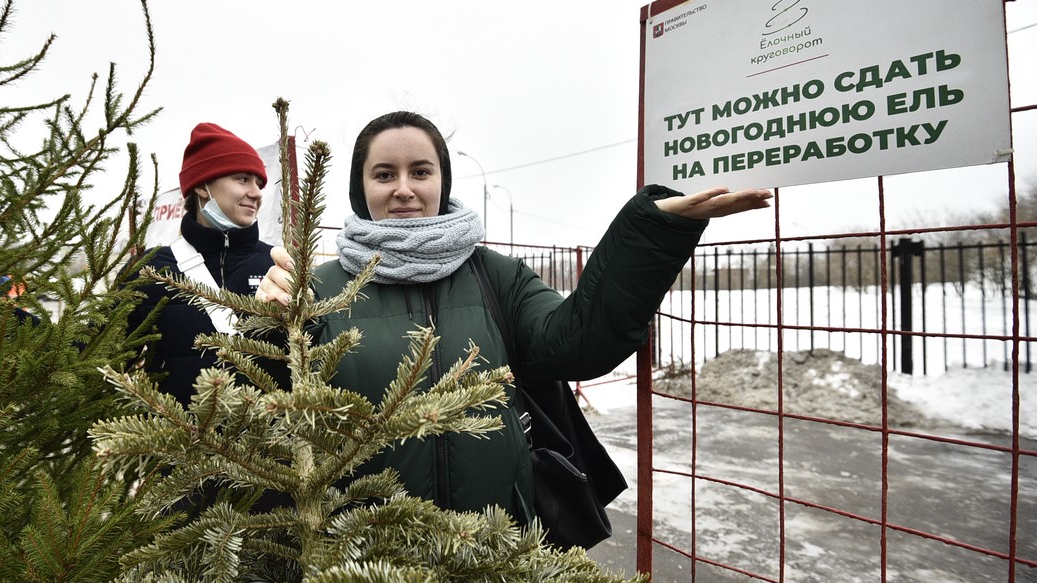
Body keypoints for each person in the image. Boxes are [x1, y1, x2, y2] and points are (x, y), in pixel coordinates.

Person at [256, 110, 771, 527]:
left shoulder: (495, 277)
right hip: (358, 560)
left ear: (442, 179)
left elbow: (578, 342)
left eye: (420, 171)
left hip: (496, 553)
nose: (404, 188)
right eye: (384, 174)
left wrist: (651, 233)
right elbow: (261, 406)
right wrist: (264, 318)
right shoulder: (317, 287)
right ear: (360, 188)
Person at [125, 122, 275, 407]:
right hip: (177, 445)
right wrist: (14, 321)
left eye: (259, 183)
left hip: (266, 447)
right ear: (203, 186)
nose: (256, 193)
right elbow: (97, 355)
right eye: (243, 179)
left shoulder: (275, 265)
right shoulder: (149, 268)